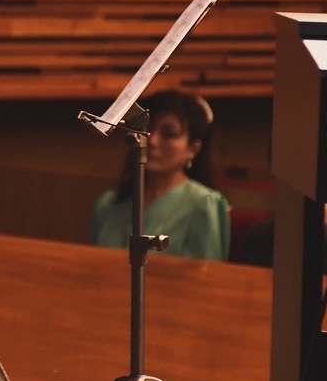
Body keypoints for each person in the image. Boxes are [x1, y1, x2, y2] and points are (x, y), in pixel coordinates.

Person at [89, 90, 230, 261]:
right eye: (147, 129)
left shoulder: (204, 204)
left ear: (193, 149)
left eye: (169, 134)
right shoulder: (108, 204)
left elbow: (208, 272)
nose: (152, 141)